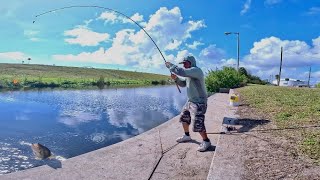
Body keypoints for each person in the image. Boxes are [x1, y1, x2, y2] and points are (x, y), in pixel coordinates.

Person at [165, 55, 211, 152]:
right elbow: (182, 84)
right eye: (183, 64)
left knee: (198, 123)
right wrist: (176, 79)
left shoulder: (196, 70)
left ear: (191, 62)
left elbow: (181, 71)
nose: (184, 65)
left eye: (185, 63)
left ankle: (206, 141)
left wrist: (170, 66)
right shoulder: (189, 74)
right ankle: (187, 136)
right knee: (184, 118)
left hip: (199, 102)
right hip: (190, 101)